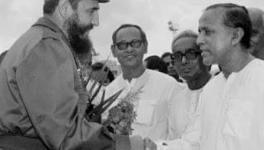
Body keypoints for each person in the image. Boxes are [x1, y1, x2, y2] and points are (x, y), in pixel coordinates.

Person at [0, 0, 144, 149]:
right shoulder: (47, 47)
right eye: (91, 11)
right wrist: (127, 145)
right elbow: (65, 134)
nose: (97, 21)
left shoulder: (38, 41)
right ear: (64, 8)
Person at [197, 3, 264, 150]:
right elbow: (194, 142)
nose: (199, 40)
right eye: (199, 32)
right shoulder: (210, 89)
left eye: (207, 32)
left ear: (235, 36)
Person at [105, 24, 184, 141]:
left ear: (145, 46)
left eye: (135, 43)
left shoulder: (169, 85)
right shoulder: (108, 93)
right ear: (114, 51)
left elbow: (180, 136)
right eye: (122, 45)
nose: (129, 49)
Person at [157, 30, 211, 150]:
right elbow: (172, 139)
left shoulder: (221, 91)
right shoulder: (176, 98)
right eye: (177, 56)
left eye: (191, 54)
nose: (183, 61)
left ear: (204, 55)